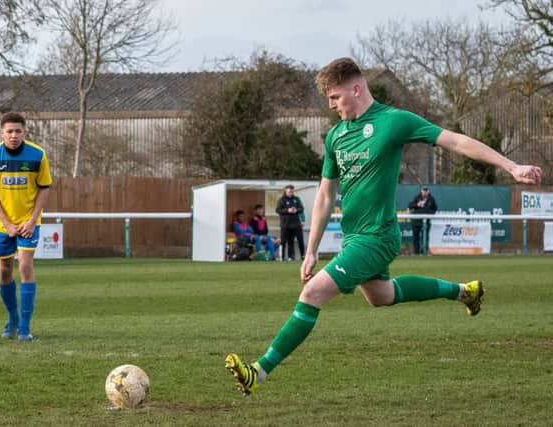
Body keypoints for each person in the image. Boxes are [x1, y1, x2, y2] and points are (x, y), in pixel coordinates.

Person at [225, 57, 542, 395]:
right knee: (382, 296)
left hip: (378, 237)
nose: (331, 106)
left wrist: (511, 166)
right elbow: (324, 194)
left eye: (334, 97)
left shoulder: (393, 121)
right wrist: (312, 248)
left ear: (356, 89)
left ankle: (258, 371)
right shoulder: (336, 136)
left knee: (313, 293)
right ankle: (466, 291)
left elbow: (455, 141)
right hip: (354, 238)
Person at [0, 112, 52, 341]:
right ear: (2, 133)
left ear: (25, 132)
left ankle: (24, 327)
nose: (14, 135)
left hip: (28, 223)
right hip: (4, 225)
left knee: (25, 267)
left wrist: (31, 221)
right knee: (4, 271)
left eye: (18, 131)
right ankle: (12, 318)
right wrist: (7, 223)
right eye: (9, 131)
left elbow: (44, 188)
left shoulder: (38, 155)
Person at [276, 185, 305, 261]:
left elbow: (301, 209)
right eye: (289, 191)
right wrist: (287, 210)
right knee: (283, 241)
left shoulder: (296, 199)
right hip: (285, 224)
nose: (290, 193)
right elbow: (278, 210)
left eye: (291, 191)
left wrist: (296, 210)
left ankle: (299, 256)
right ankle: (282, 257)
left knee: (298, 240)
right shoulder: (281, 200)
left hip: (296, 224)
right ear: (285, 191)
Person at [408, 186, 438, 255]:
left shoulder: (431, 199)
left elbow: (435, 209)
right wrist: (417, 205)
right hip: (416, 222)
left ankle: (425, 252)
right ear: (421, 191)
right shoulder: (417, 197)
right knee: (416, 238)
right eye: (424, 190)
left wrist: (428, 213)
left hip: (426, 221)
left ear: (428, 191)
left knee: (425, 237)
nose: (425, 192)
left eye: (426, 191)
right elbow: (410, 205)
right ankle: (416, 253)